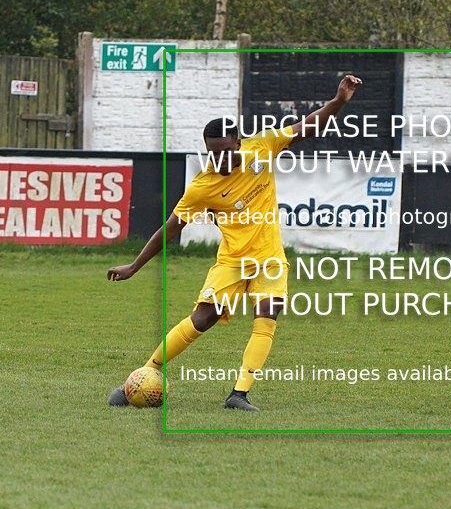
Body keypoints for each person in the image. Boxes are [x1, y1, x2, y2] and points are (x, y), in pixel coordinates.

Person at [107, 74, 363, 412]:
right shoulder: (203, 187)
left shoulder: (263, 146)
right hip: (231, 261)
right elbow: (170, 229)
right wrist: (134, 266)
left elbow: (306, 127)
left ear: (239, 142)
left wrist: (337, 103)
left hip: (269, 257)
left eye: (226, 152)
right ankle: (143, 376)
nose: (221, 160)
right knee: (202, 318)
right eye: (213, 154)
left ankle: (238, 394)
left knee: (266, 318)